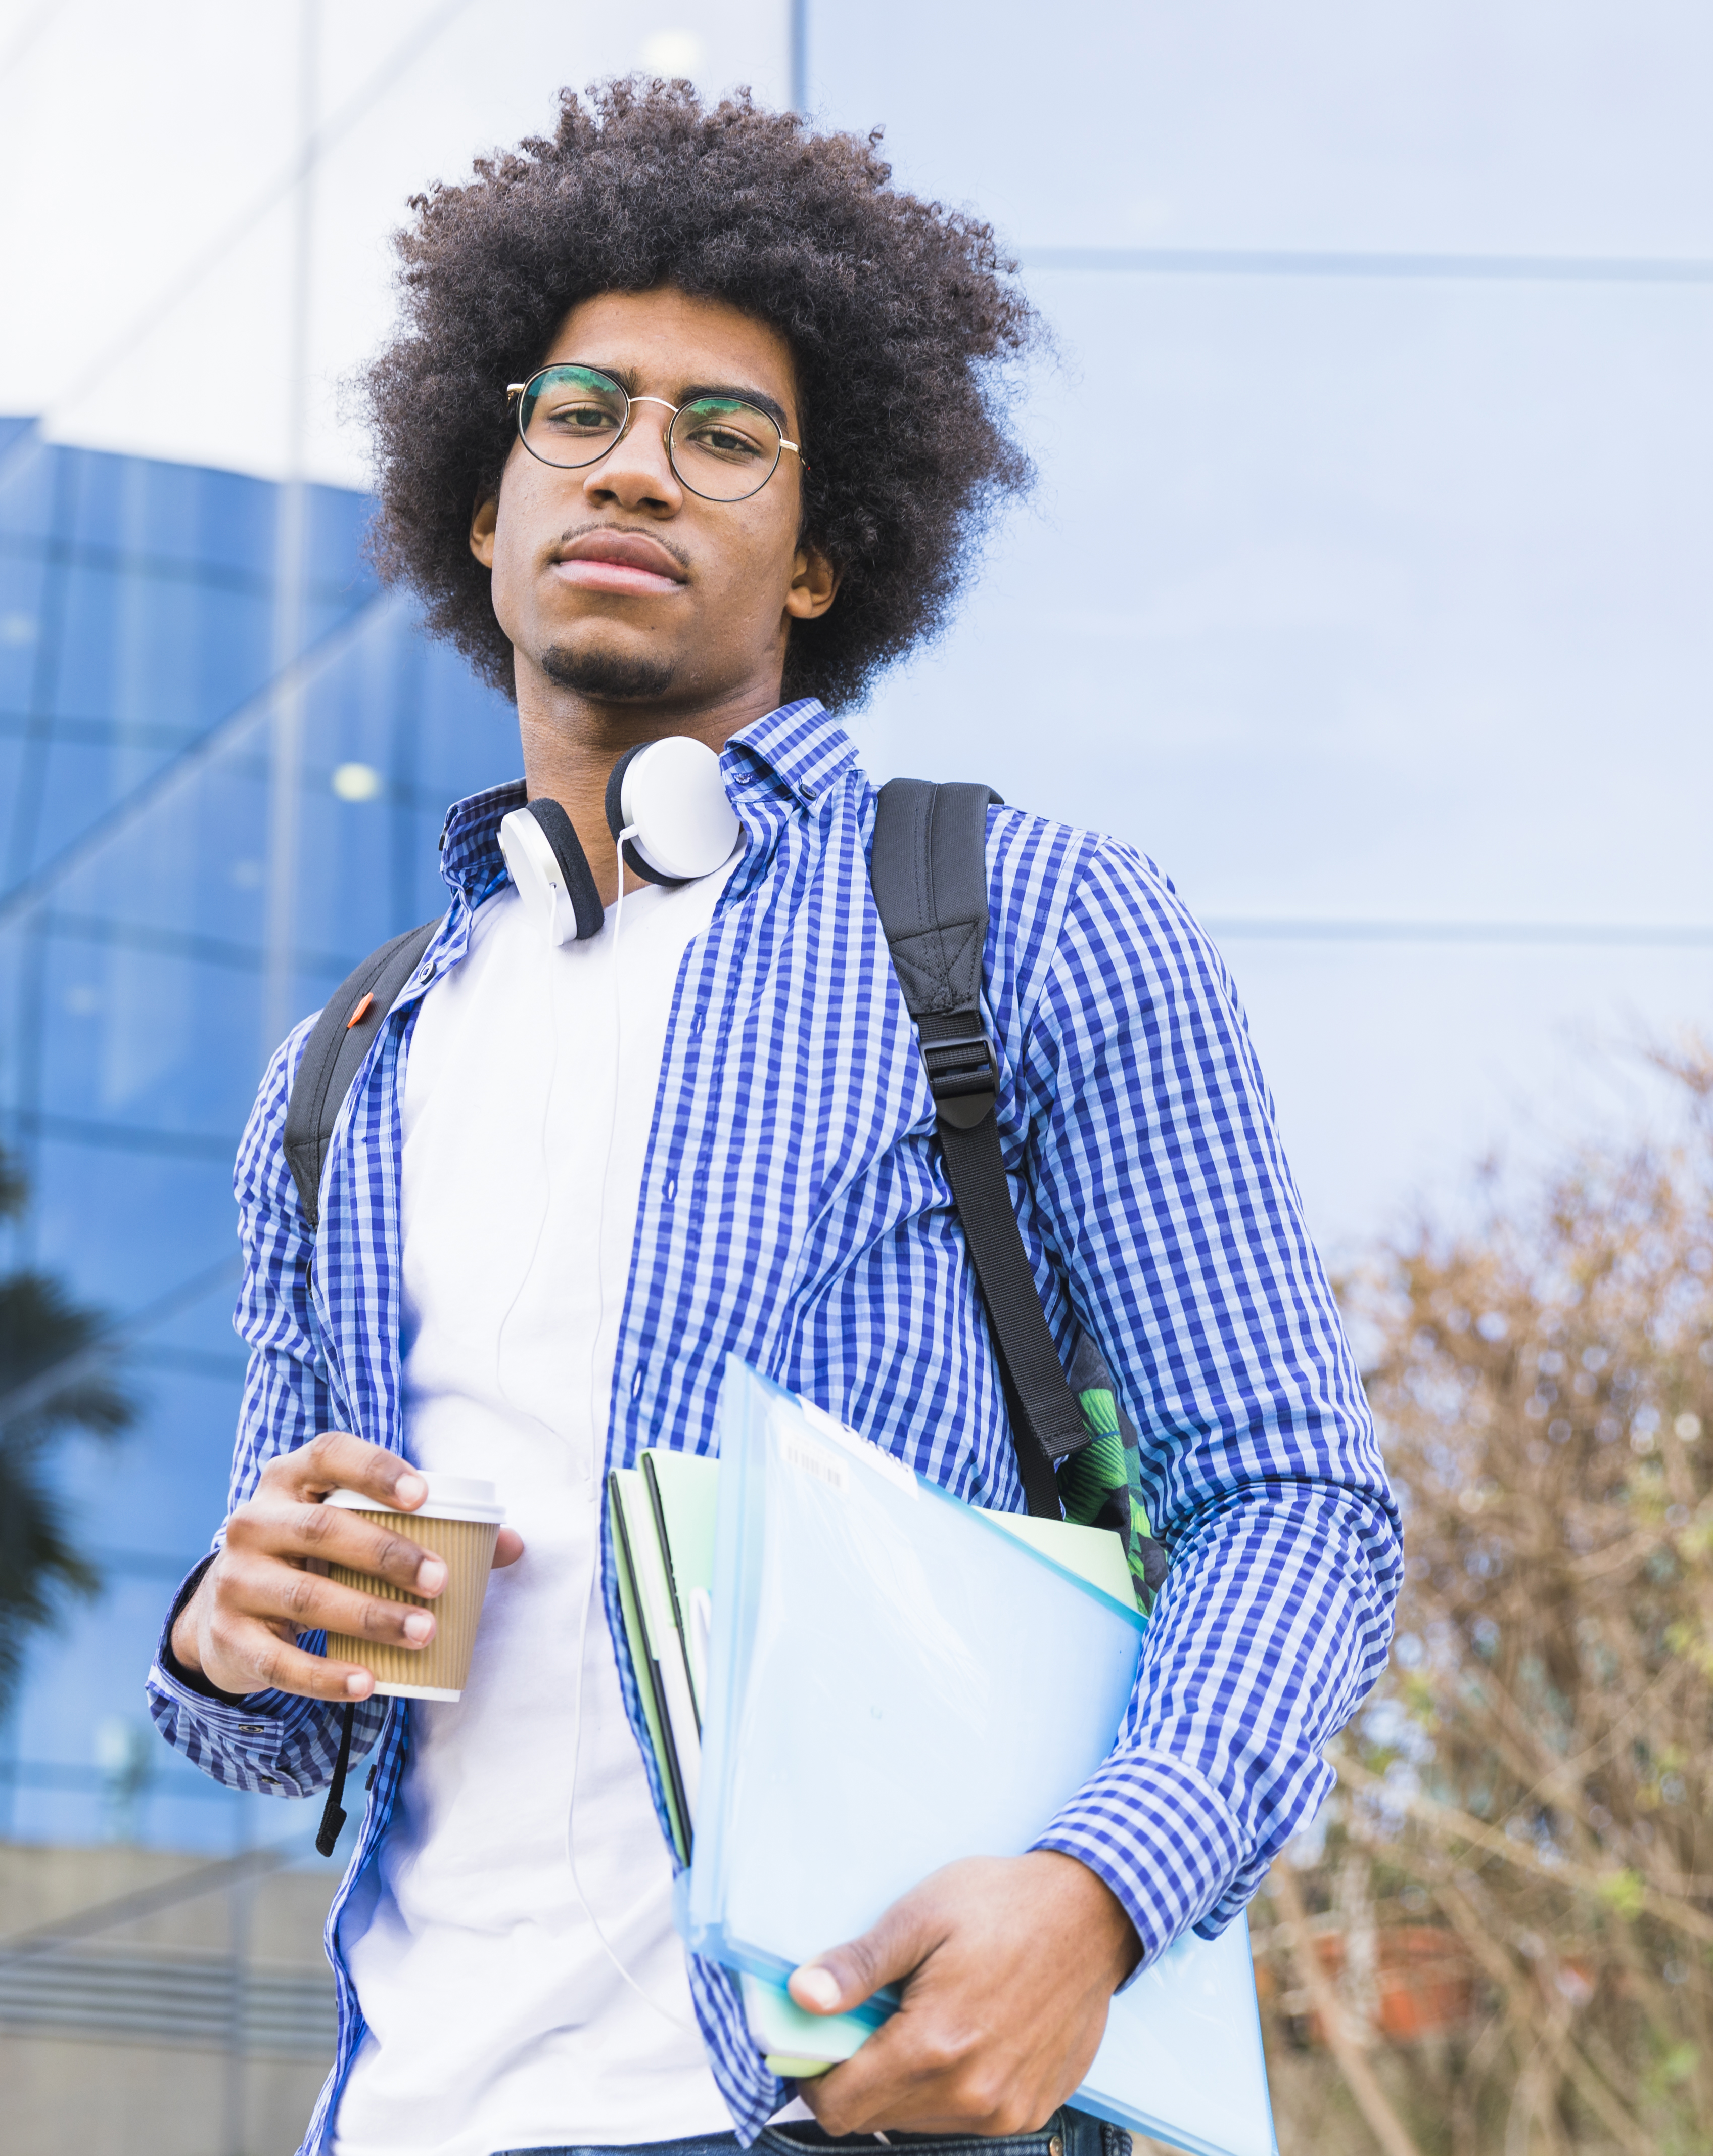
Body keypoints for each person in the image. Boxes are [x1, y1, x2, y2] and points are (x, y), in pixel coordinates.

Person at [150, 79, 1399, 2156]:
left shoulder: (1024, 923)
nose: (638, 459)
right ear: (484, 500)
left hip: (846, 2102)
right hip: (409, 2111)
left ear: (823, 553)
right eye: (579, 409)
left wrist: (1096, 1893)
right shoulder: (343, 1069)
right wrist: (230, 1620)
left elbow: (1294, 1501)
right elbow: (285, 1726)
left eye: (724, 432)